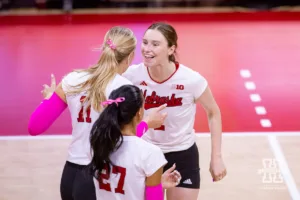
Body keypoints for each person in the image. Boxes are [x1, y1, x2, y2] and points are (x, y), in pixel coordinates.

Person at [28, 26, 180, 200]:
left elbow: (35, 127)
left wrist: (48, 100)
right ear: (130, 56)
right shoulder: (125, 90)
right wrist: (147, 124)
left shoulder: (72, 79)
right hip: (97, 178)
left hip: (70, 176)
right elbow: (118, 140)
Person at [122, 22, 227, 200]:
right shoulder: (131, 76)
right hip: (145, 154)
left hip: (182, 154)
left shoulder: (191, 80)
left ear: (171, 49)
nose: (147, 49)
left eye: (155, 44)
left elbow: (213, 112)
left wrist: (216, 157)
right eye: (145, 42)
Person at [89, 84, 179, 200]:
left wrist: (156, 182)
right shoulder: (150, 153)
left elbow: (123, 184)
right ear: (139, 113)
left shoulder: (98, 144)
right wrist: (157, 186)